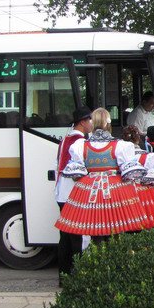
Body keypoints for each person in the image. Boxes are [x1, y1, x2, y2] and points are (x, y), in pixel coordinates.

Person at [55, 108, 154, 241]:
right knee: (115, 228)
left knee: (95, 229)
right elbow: (131, 174)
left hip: (90, 191)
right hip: (115, 191)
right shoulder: (120, 145)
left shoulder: (80, 145)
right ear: (108, 124)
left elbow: (75, 174)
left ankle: (97, 256)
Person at [55, 106, 93, 282]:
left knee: (65, 235)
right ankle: (77, 274)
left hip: (61, 191)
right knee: (77, 236)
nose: (92, 124)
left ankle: (63, 275)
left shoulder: (65, 139)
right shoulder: (80, 142)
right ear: (83, 122)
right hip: (73, 193)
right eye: (90, 120)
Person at [124, 126, 154, 228]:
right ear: (138, 139)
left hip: (127, 192)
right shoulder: (148, 156)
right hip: (145, 192)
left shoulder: (121, 156)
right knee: (148, 223)